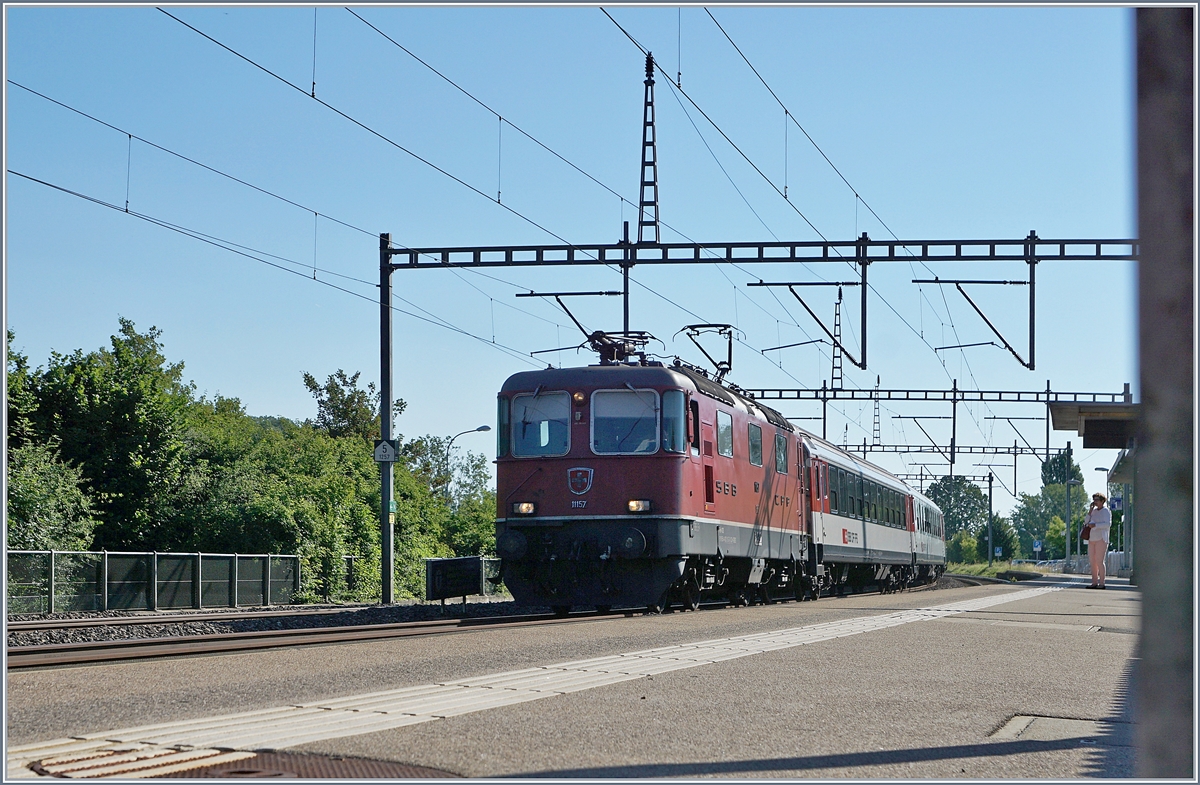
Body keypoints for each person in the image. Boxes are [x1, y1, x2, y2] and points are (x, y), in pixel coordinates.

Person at [1084, 492, 1113, 588]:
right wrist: (1090, 510)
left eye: (1097, 500)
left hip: (1101, 538)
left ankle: (1102, 583)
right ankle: (1094, 582)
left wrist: (1096, 525)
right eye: (1094, 500)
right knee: (1092, 561)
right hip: (1092, 538)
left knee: (1099, 560)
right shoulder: (1094, 511)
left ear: (1102, 501)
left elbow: (1107, 524)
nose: (1095, 502)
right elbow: (1086, 521)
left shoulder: (1106, 511)